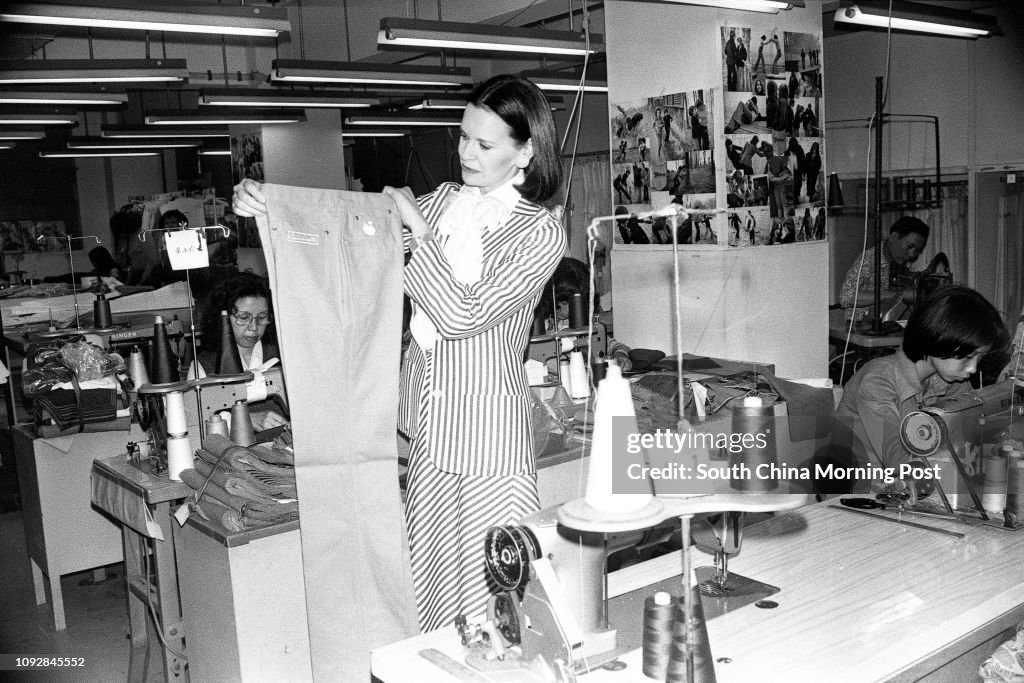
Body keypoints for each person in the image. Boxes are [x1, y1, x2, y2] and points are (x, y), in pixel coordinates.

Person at [234, 74, 566, 633]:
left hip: (490, 438)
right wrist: (273, 204)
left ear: (527, 150)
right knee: (433, 585)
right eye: (462, 138)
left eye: (484, 145)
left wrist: (418, 234)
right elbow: (350, 225)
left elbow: (463, 315)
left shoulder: (540, 233)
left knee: (495, 587)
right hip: (426, 433)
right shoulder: (441, 203)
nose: (465, 154)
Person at [830, 285, 1007, 492]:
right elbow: (896, 455)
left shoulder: (952, 381)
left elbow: (971, 428)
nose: (973, 368)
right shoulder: (877, 382)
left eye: (979, 357)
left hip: (902, 485)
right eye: (968, 357)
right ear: (938, 338)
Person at [190, 272, 288, 430]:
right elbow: (197, 419)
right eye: (243, 317)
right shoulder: (203, 366)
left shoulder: (283, 355)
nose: (254, 327)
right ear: (223, 318)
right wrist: (246, 420)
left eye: (262, 317)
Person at [534, 257, 633, 370]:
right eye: (566, 302)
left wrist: (620, 355)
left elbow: (614, 345)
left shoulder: (575, 323)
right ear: (552, 297)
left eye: (577, 303)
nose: (573, 309)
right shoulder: (538, 326)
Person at [839, 216, 930, 308]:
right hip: (864, 321)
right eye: (909, 246)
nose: (912, 255)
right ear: (894, 237)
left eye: (917, 250)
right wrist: (889, 295)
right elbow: (846, 297)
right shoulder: (869, 259)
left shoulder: (905, 263)